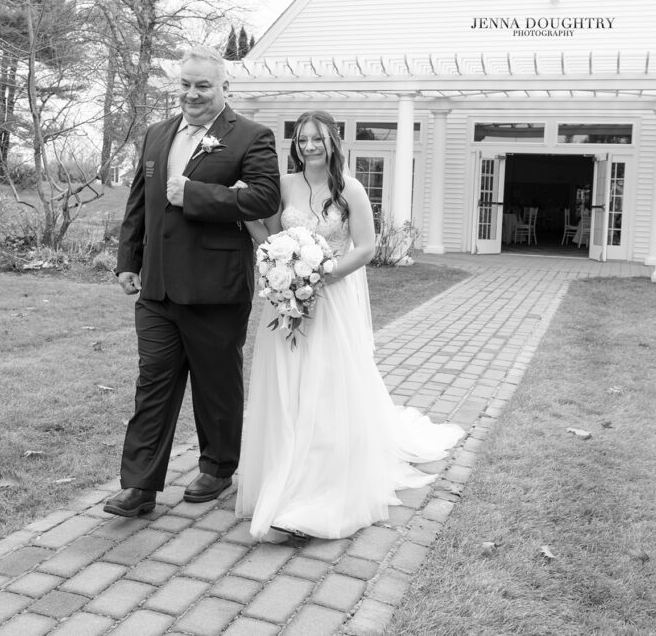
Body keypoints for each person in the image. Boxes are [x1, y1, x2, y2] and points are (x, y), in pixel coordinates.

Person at [233, 110, 464, 542]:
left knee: (325, 385)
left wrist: (324, 273)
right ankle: (282, 468)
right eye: (301, 140)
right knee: (287, 385)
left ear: (333, 142)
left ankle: (320, 485)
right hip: (287, 296)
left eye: (316, 139)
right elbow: (267, 235)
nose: (308, 147)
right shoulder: (285, 186)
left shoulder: (350, 189)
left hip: (331, 297)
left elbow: (367, 247)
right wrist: (246, 211)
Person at [104, 46, 281, 517]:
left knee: (216, 384)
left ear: (225, 89)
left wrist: (195, 194)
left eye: (203, 85)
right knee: (153, 384)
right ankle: (140, 486)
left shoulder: (251, 136)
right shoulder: (157, 134)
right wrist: (129, 259)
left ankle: (219, 467)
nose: (192, 93)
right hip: (158, 288)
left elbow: (265, 198)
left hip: (216, 288)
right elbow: (138, 203)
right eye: (185, 84)